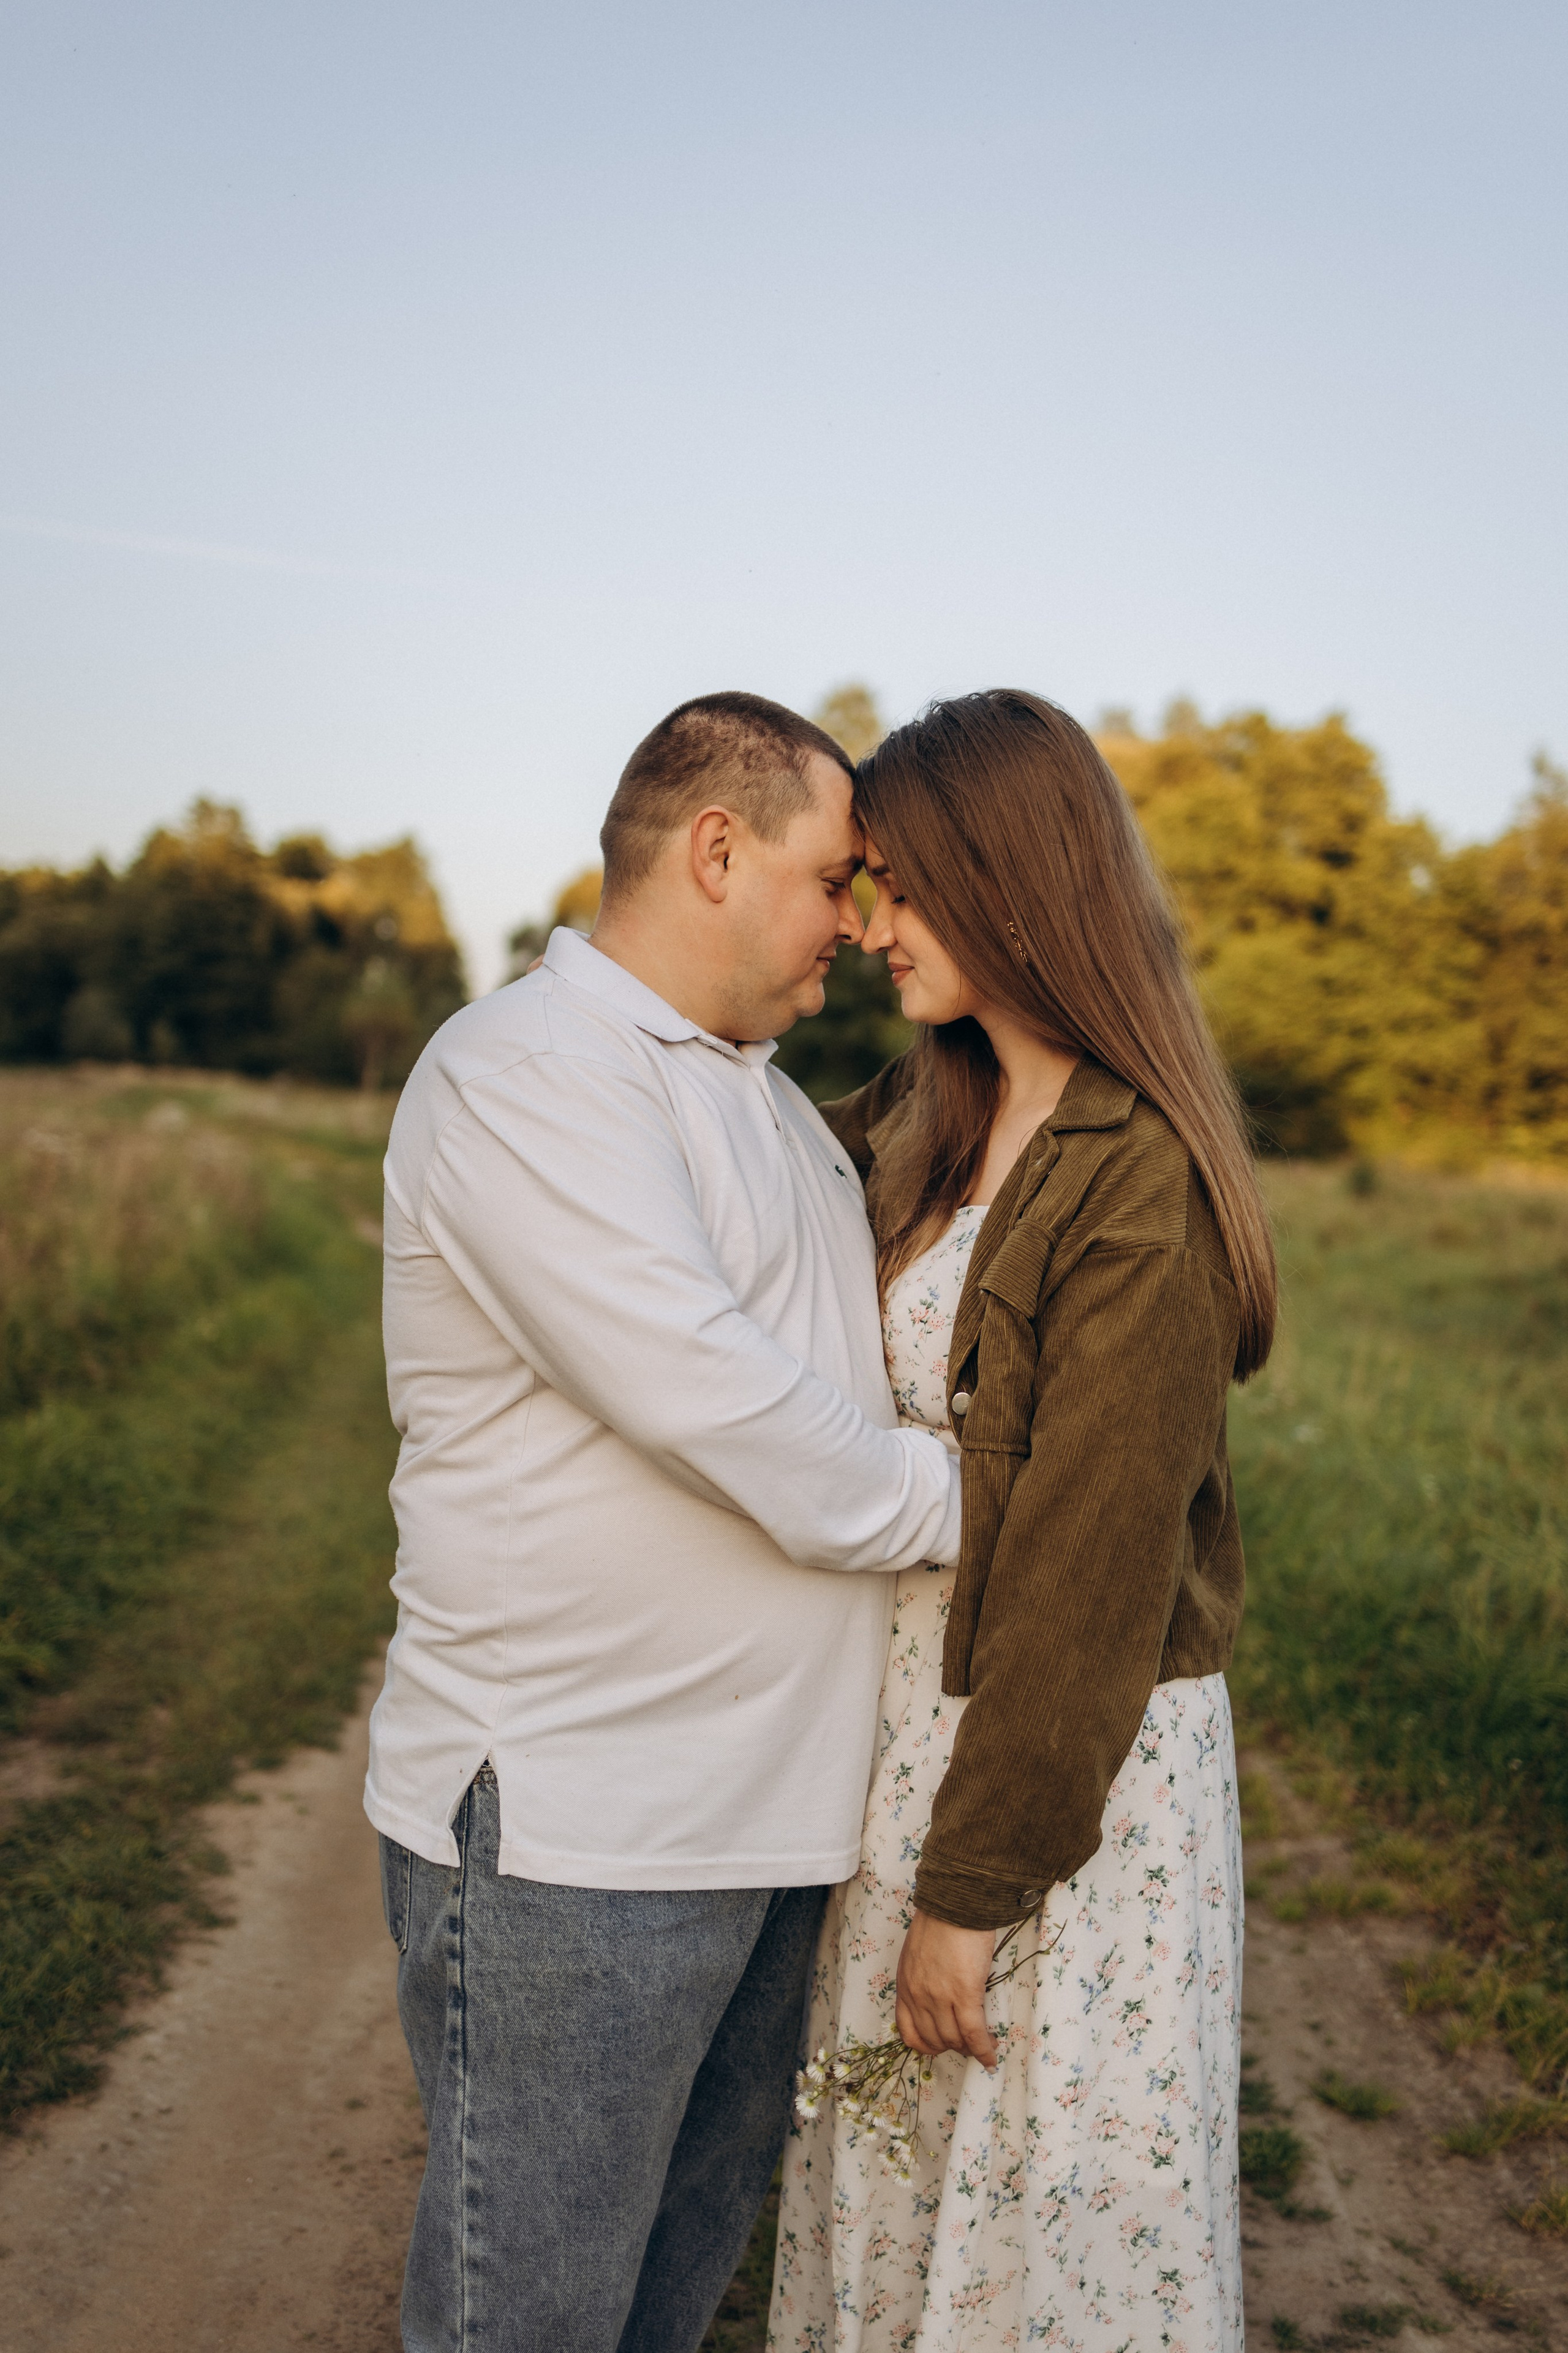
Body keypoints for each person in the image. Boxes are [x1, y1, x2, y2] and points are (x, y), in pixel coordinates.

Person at [365, 691, 963, 2353]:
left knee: (663, 2313)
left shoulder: (771, 1104)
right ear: (717, 848)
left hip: (766, 1830)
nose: (854, 922)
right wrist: (973, 1507)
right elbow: (714, 1396)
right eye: (836, 877)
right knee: (533, 2324)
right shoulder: (525, 1071)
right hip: (580, 1834)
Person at [769, 689, 1276, 2352]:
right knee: (907, 2179)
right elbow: (742, 1176)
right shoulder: (929, 1112)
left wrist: (966, 1892)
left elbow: (1087, 1576)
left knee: (1044, 2211)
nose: (868, 922)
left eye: (904, 886)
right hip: (914, 1724)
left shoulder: (1145, 1175)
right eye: (864, 884)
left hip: (1072, 1773)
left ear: (1013, 883)